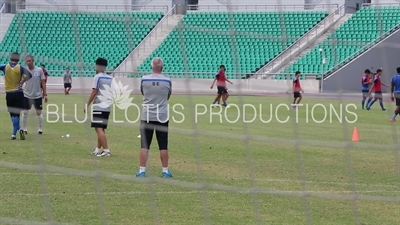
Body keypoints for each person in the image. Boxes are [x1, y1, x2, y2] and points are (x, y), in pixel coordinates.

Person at [136, 57, 172, 178]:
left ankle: (142, 170)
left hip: (147, 115)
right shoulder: (167, 80)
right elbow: (168, 96)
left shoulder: (144, 79)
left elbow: (143, 93)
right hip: (162, 116)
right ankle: (165, 171)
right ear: (162, 67)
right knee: (163, 145)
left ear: (152, 66)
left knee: (144, 145)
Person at [0, 52, 32, 140]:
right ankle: (15, 133)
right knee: (16, 114)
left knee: (12, 114)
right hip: (18, 92)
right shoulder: (21, 68)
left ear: (10, 58)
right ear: (18, 59)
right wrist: (22, 82)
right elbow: (30, 75)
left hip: (9, 93)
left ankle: (17, 131)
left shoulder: (5, 67)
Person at [84, 58, 112, 157]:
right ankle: (97, 149)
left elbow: (94, 92)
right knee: (101, 128)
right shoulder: (110, 78)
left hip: (99, 106)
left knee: (98, 128)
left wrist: (87, 104)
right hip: (107, 106)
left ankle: (106, 150)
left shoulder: (97, 77)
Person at [21, 55, 48, 135]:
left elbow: (43, 82)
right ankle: (25, 129)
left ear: (33, 61)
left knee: (39, 112)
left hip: (37, 95)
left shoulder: (39, 70)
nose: (28, 62)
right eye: (27, 61)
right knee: (25, 112)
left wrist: (45, 94)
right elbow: (22, 81)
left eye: (29, 61)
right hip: (27, 95)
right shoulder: (24, 70)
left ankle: (40, 128)